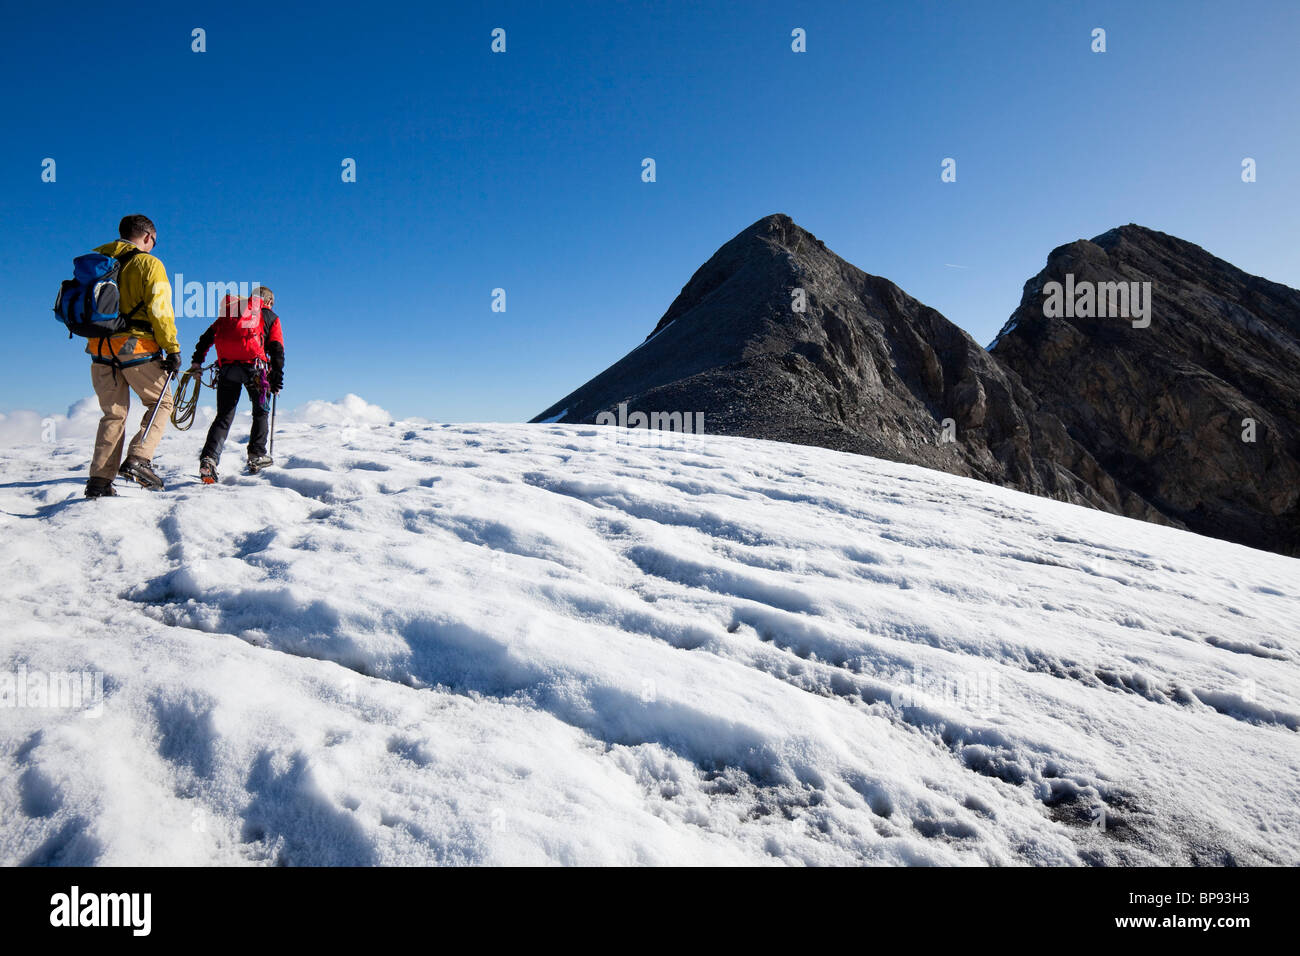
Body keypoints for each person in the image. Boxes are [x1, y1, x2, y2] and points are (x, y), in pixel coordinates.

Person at [85, 215, 182, 497]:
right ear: (148, 237)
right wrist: (172, 348)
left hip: (99, 347)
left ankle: (99, 482)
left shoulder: (98, 259)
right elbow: (160, 309)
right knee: (162, 402)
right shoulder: (149, 263)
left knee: (113, 415)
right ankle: (139, 459)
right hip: (134, 346)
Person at [191, 286, 285, 482]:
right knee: (260, 412)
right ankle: (256, 455)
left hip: (227, 369)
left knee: (224, 415)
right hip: (256, 370)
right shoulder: (270, 317)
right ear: (268, 301)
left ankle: (209, 459)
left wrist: (197, 362)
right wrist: (276, 374)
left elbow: (206, 338)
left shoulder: (230, 313)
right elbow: (277, 347)